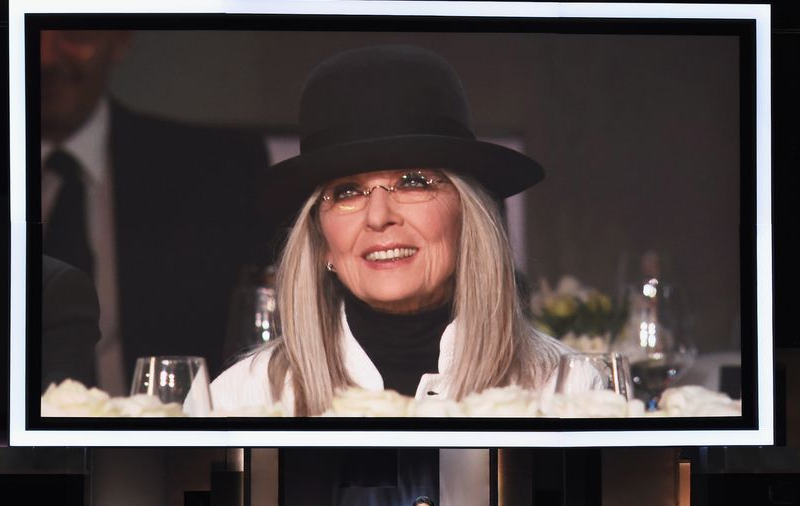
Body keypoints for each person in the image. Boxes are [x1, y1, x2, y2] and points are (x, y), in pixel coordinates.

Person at [208, 44, 563, 416]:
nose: (378, 216)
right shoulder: (241, 398)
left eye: (413, 182)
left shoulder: (566, 388)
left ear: (467, 216)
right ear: (322, 242)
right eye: (347, 192)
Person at [39, 30, 272, 395]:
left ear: (119, 39)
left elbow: (258, 346)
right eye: (28, 33)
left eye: (74, 32)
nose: (46, 58)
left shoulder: (218, 169)